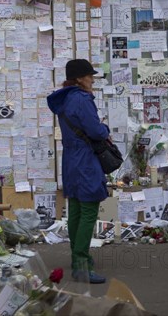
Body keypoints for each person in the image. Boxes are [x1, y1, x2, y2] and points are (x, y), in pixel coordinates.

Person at [47, 59, 109, 284]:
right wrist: (106, 129)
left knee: (75, 209)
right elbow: (95, 130)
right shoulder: (82, 99)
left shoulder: (64, 99)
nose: (92, 79)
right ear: (80, 79)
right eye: (90, 76)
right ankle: (82, 265)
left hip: (70, 159)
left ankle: (76, 258)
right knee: (89, 209)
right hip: (85, 159)